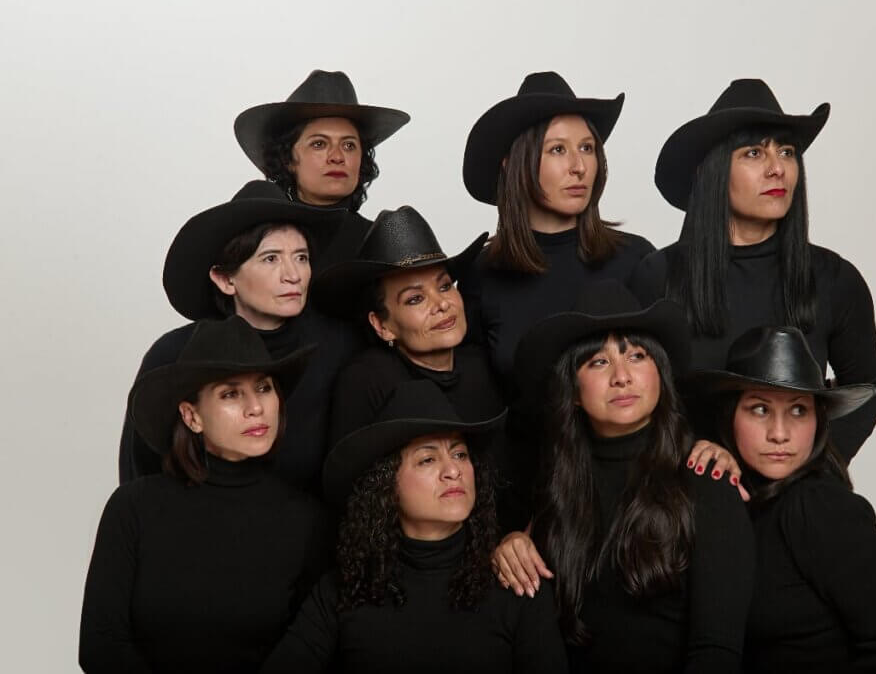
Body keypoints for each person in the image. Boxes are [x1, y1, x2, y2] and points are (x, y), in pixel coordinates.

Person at [494, 280, 754, 672]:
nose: (621, 376)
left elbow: (716, 649)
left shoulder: (706, 479)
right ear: (574, 392)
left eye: (636, 356)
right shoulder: (557, 488)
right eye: (598, 362)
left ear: (660, 375)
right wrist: (510, 546)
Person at [631, 78, 876, 460]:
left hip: (798, 495)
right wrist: (697, 459)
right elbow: (635, 405)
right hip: (690, 492)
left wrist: (806, 469)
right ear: (713, 172)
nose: (776, 169)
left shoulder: (835, 279)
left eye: (786, 152)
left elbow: (867, 391)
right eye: (753, 153)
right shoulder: (658, 276)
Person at [259, 380, 568, 673]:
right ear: (386, 486)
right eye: (427, 460)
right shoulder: (344, 591)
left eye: (460, 454)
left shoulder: (516, 583)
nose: (453, 471)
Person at [81, 317, 330, 673]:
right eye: (231, 393)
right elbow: (100, 645)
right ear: (191, 416)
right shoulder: (134, 508)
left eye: (264, 388)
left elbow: (309, 649)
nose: (255, 407)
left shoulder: (306, 519)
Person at [695, 326, 876, 672]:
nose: (779, 433)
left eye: (798, 411)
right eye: (759, 409)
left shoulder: (817, 505)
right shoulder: (734, 505)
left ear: (818, 421)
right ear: (730, 416)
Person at [118, 181, 364, 493]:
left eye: (301, 257)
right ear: (225, 278)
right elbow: (139, 479)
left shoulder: (339, 347)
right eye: (271, 258)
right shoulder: (174, 354)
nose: (293, 274)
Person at [458, 71, 654, 394]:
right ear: (513, 163)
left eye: (587, 147)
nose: (578, 166)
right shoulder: (481, 274)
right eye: (558, 150)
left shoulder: (637, 260)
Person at [312, 205, 502, 444]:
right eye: (415, 299)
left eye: (444, 286)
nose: (442, 304)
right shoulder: (368, 380)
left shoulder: (481, 364)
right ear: (382, 325)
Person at [234, 69, 410, 260]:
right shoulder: (254, 239)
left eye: (349, 145)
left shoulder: (383, 246)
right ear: (287, 159)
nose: (337, 157)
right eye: (319, 144)